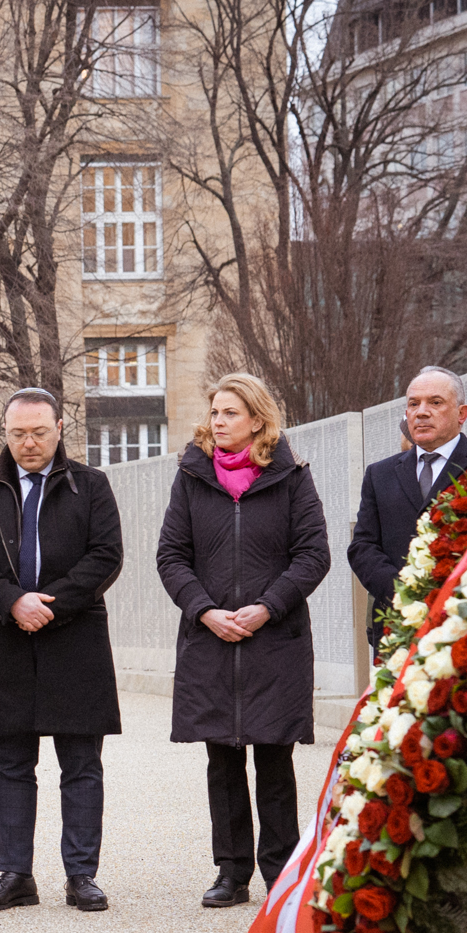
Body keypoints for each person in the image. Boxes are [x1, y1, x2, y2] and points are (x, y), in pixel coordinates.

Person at [156, 374, 332, 905]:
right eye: (214, 412)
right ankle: (231, 873)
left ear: (257, 419)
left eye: (230, 412)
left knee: (275, 760)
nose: (218, 421)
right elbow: (171, 556)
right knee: (223, 760)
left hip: (274, 640)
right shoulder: (191, 476)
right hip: (210, 639)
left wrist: (266, 607)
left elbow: (313, 554)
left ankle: (281, 872)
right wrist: (205, 611)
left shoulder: (293, 477)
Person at [0, 389, 124, 914]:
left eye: (39, 432)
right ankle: (15, 874)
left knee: (80, 762)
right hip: (6, 638)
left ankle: (81, 875)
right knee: (10, 762)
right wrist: (13, 602)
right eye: (18, 433)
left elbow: (107, 555)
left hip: (74, 636)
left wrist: (49, 605)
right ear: (5, 433)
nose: (28, 443)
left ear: (60, 428)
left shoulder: (90, 485)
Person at [347, 366, 467, 647]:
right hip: (398, 624)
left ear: (462, 414)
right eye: (413, 404)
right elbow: (363, 546)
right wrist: (404, 592)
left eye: (435, 403)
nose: (421, 412)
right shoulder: (380, 474)